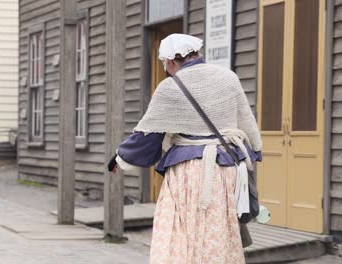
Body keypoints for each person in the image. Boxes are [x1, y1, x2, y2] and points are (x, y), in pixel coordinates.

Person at [108, 34, 262, 264]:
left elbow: (148, 137)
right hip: (226, 170)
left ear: (170, 62)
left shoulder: (170, 88)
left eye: (165, 66)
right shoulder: (229, 78)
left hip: (188, 174)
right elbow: (247, 123)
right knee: (218, 232)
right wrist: (255, 152)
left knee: (179, 233)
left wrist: (120, 159)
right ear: (197, 53)